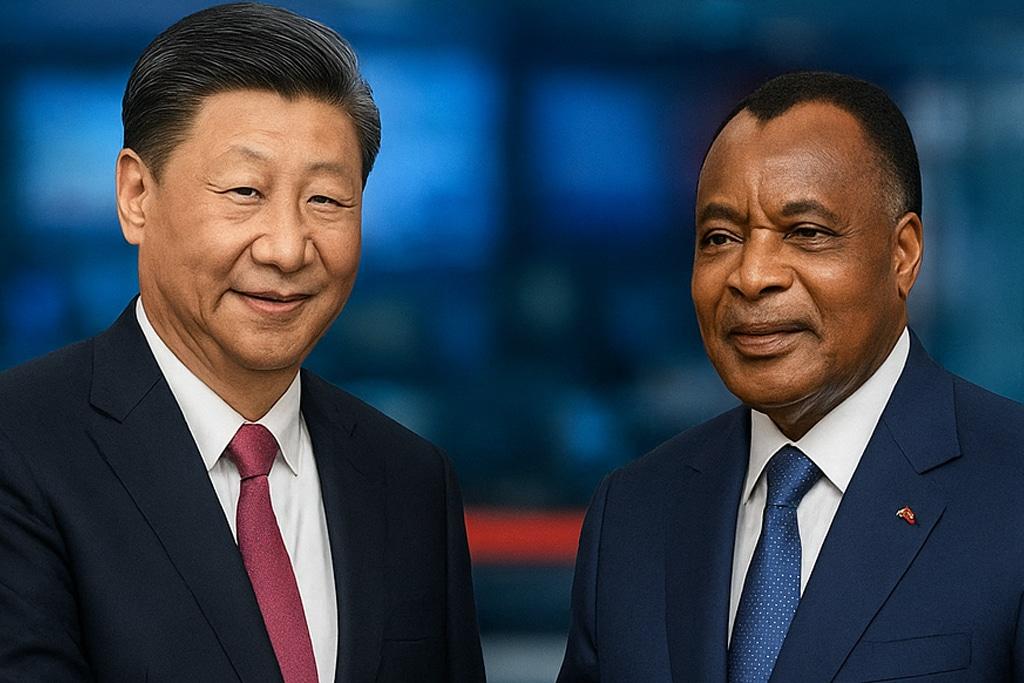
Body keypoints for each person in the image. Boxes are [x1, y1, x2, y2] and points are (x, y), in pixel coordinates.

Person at [0, 4, 485, 682]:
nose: (287, 248)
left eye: (325, 200)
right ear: (137, 195)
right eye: (245, 190)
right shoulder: (20, 444)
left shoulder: (409, 480)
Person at [558, 71, 1024, 682]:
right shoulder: (633, 513)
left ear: (903, 254)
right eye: (720, 238)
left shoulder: (1011, 486)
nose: (752, 276)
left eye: (806, 233)